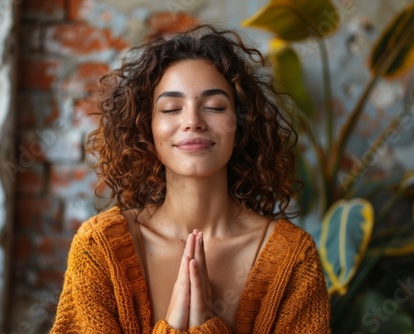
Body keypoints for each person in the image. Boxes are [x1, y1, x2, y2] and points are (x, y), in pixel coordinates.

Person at [51, 24, 331, 333]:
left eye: (214, 106)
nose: (193, 122)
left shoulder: (293, 259)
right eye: (171, 108)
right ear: (147, 129)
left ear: (240, 125)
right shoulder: (99, 248)